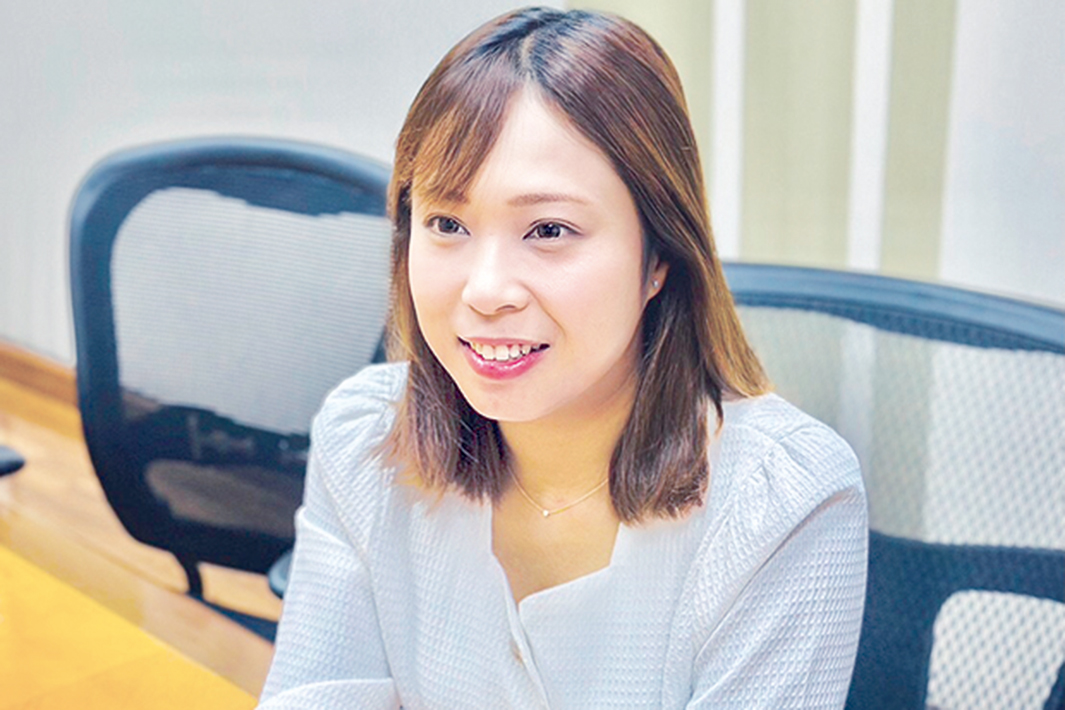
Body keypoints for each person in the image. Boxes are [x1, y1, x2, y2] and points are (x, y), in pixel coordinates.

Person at [259, 7, 867, 709]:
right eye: (446, 223)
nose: (485, 291)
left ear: (658, 258)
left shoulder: (780, 503)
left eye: (548, 230)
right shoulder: (367, 442)